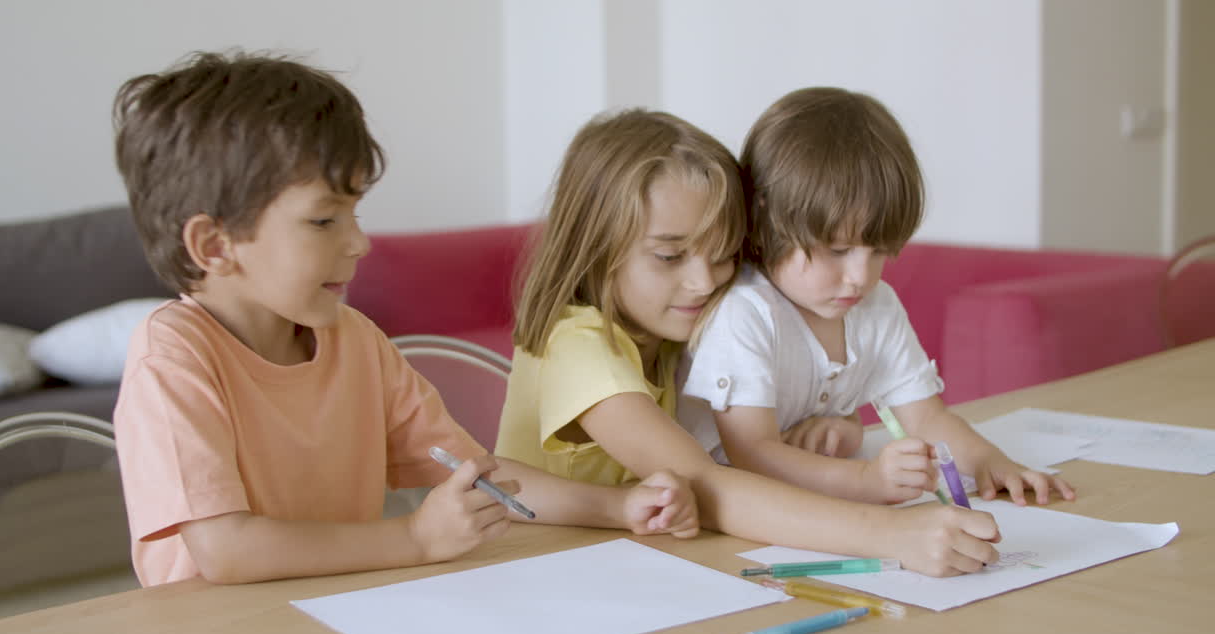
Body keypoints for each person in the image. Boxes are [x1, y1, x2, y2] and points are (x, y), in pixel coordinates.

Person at [111, 51, 698, 588]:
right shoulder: (174, 357)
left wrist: (618, 508)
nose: (359, 242)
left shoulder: (354, 339)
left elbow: (479, 474)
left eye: (355, 214)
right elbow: (226, 551)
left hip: (340, 615)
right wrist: (415, 538)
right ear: (214, 245)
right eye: (324, 221)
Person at [496, 108, 1001, 577]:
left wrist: (840, 423)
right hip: (545, 565)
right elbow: (705, 483)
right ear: (593, 248)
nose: (704, 282)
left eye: (722, 253)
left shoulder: (668, 323)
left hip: (649, 555)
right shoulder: (577, 347)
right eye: (669, 257)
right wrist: (891, 534)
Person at [679, 87, 1077, 507]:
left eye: (878, 252)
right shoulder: (745, 311)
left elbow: (925, 417)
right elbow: (752, 454)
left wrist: (988, 461)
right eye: (838, 250)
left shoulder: (876, 305)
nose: (859, 278)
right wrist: (865, 478)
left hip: (794, 500)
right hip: (717, 503)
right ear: (767, 217)